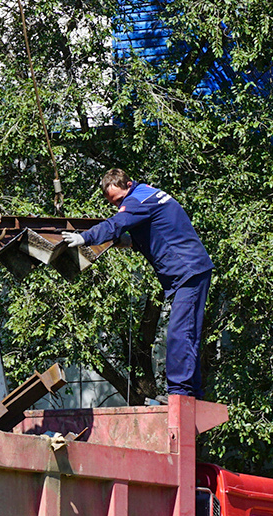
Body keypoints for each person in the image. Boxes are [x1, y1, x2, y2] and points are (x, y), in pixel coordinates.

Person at [60, 169, 215, 398]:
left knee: (179, 334)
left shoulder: (137, 200)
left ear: (128, 184)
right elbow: (158, 231)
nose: (119, 205)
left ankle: (180, 394)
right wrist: (130, 242)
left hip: (188, 272)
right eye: (114, 203)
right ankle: (192, 392)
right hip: (190, 270)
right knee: (186, 332)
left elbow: (116, 223)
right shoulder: (147, 195)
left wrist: (85, 237)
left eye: (120, 200)